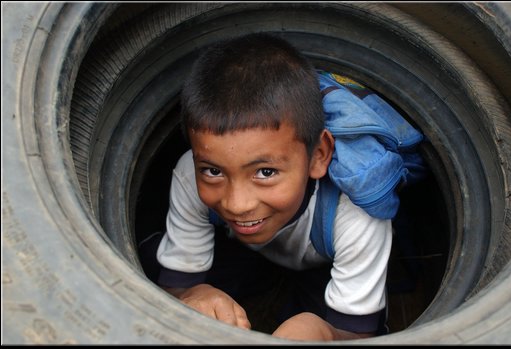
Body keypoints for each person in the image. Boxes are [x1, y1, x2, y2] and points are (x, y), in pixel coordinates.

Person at [154, 33, 392, 341]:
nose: (237, 204)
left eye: (265, 172)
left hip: (326, 264)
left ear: (318, 156)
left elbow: (356, 334)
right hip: (240, 249)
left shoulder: (356, 214)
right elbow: (173, 286)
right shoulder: (190, 174)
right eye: (213, 171)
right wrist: (194, 294)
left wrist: (319, 329)